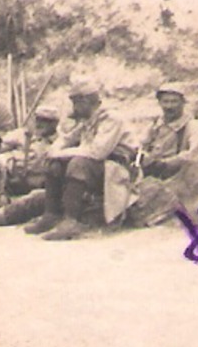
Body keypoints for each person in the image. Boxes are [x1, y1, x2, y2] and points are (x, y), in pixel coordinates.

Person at [21, 78, 134, 241]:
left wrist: (60, 153)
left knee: (78, 163)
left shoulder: (111, 118)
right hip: (98, 165)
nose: (74, 109)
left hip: (116, 167)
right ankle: (51, 214)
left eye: (75, 104)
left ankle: (71, 221)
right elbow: (68, 138)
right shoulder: (89, 119)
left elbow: (97, 152)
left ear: (86, 102)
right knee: (55, 163)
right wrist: (54, 151)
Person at [128, 82, 198, 227]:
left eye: (174, 101)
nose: (169, 106)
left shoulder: (191, 125)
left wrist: (170, 162)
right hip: (152, 170)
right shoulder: (156, 124)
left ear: (183, 103)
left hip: (175, 173)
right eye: (165, 101)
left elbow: (197, 151)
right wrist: (143, 156)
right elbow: (142, 144)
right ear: (159, 103)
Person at [0, 105, 61, 196]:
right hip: (10, 182)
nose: (39, 123)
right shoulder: (21, 134)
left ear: (55, 124)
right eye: (38, 119)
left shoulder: (60, 142)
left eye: (45, 121)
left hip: (38, 188)